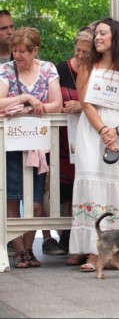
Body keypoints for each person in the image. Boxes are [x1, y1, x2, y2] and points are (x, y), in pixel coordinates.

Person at [69, 18, 119, 273]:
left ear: (116, 37)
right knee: (94, 189)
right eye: (96, 35)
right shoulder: (88, 67)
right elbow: (85, 102)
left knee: (118, 189)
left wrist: (118, 131)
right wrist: (103, 130)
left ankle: (115, 252)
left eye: (103, 33)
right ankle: (94, 252)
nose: (97, 38)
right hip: (93, 132)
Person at [0, 27, 62, 268]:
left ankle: (28, 247)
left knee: (36, 202)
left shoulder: (47, 69)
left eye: (23, 51)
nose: (17, 55)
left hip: (39, 143)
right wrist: (25, 99)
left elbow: (57, 104)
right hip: (12, 143)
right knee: (12, 197)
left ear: (35, 50)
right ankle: (20, 251)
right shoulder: (6, 70)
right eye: (15, 50)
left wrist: (31, 110)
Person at [54, 27, 93, 265]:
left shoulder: (98, 70)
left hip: (89, 134)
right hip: (62, 139)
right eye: (77, 50)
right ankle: (69, 240)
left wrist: (81, 106)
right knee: (66, 191)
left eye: (85, 52)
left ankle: (89, 244)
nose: (80, 55)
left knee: (88, 188)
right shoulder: (61, 69)